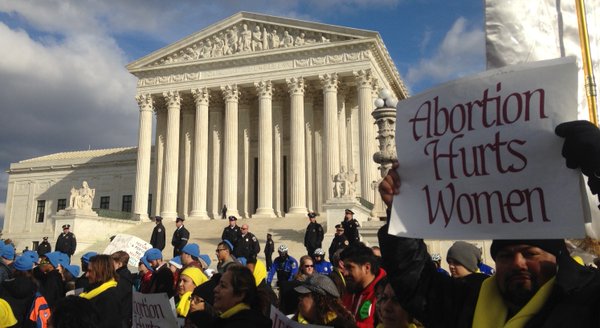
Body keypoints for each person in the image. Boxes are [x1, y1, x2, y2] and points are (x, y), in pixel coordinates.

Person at [375, 120, 600, 328]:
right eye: (505, 256)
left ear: (556, 256)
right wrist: (401, 213)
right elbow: (416, 284)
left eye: (530, 253)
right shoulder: (469, 300)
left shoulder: (586, 298)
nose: (517, 263)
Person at [340, 242, 387, 328]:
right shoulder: (350, 290)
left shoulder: (385, 295)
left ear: (367, 268)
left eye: (350, 267)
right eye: (344, 268)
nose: (345, 273)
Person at [292, 274, 357, 328]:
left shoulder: (342, 325)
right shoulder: (295, 321)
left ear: (320, 301)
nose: (300, 298)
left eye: (305, 295)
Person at [80, 254, 121, 328]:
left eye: (90, 271)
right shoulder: (92, 291)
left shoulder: (108, 298)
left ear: (101, 272)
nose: (86, 275)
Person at [0, 255, 37, 327]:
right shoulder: (35, 286)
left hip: (8, 323)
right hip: (27, 323)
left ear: (15, 269)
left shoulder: (5, 284)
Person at [111, 251, 133, 328]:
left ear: (120, 264)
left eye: (112, 263)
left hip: (122, 318)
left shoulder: (122, 278)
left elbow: (117, 297)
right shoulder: (123, 274)